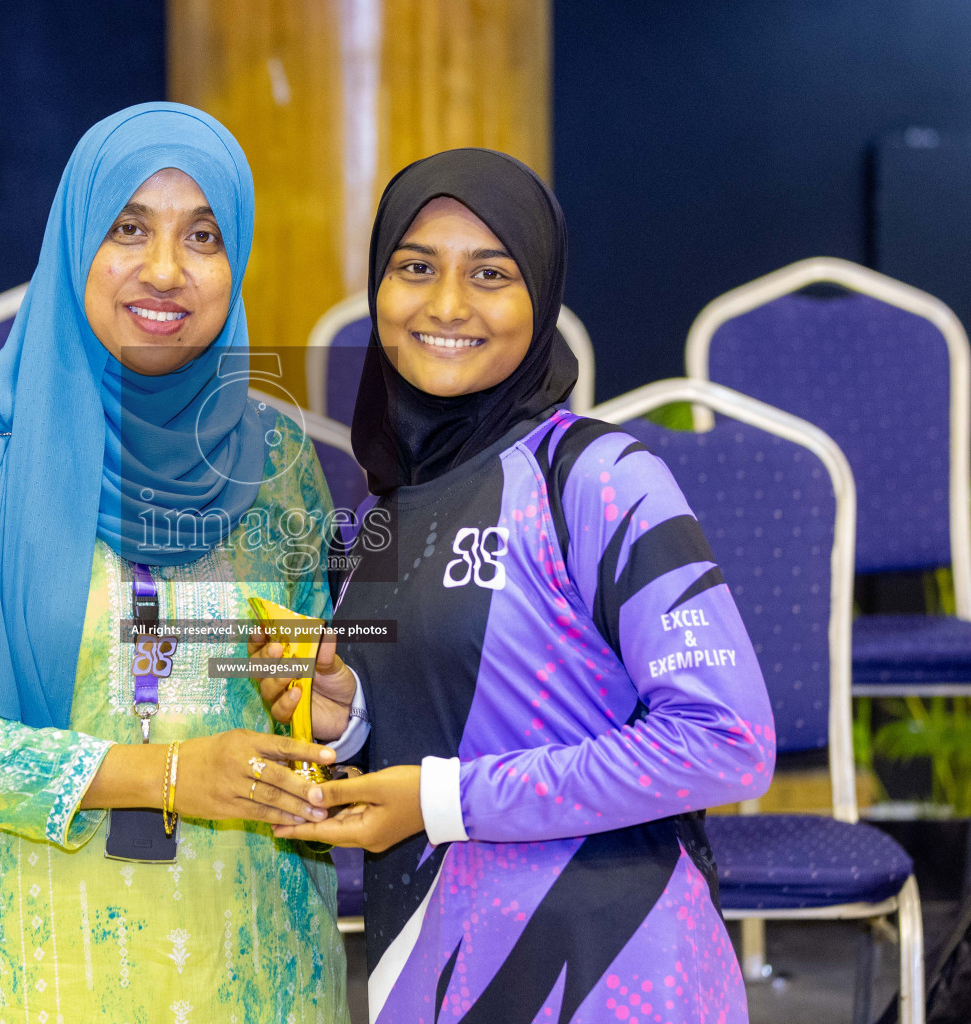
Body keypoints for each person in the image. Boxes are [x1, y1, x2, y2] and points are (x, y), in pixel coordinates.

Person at [265, 148, 776, 1023]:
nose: (447, 305)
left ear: (539, 299)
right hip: (431, 966)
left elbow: (727, 738)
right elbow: (452, 718)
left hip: (611, 967)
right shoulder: (388, 499)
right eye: (415, 267)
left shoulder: (599, 475)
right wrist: (344, 715)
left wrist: (440, 799)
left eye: (490, 273)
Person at [0, 102, 354, 1023]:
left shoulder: (279, 465)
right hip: (37, 963)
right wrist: (163, 777)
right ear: (74, 243)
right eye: (129, 228)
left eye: (202, 235)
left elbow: (298, 701)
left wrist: (318, 712)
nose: (165, 270)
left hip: (254, 961)